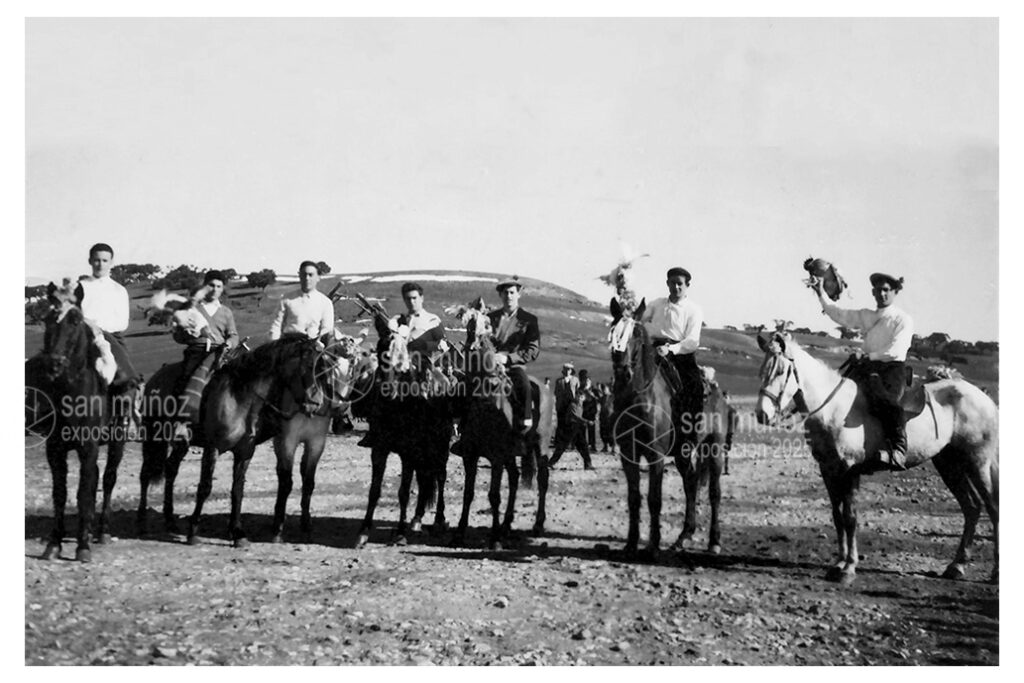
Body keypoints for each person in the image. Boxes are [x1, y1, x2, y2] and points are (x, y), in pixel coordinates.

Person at [812, 271, 914, 470]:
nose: (882, 294)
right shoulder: (867, 315)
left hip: (891, 369)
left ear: (895, 292)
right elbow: (839, 314)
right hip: (867, 366)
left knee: (886, 401)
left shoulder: (902, 319)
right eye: (878, 290)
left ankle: (899, 450)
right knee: (837, 392)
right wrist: (820, 292)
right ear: (873, 292)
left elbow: (896, 350)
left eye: (886, 290)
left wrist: (868, 356)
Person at [358, 282, 447, 448]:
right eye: (408, 299)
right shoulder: (397, 320)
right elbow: (387, 338)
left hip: (421, 361)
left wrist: (419, 345)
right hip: (397, 360)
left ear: (421, 298)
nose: (411, 302)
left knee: (436, 388)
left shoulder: (433, 320)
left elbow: (442, 344)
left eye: (414, 298)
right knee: (377, 380)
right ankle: (375, 428)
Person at [640, 266, 704, 458]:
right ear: (667, 283)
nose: (676, 287)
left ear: (687, 285)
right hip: (653, 351)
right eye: (672, 283)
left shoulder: (693, 310)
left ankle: (689, 438)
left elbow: (692, 341)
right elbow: (641, 321)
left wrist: (671, 349)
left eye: (680, 284)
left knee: (694, 387)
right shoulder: (655, 304)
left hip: (680, 355)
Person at [171, 270, 238, 439]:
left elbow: (233, 335)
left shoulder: (226, 312)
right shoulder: (192, 309)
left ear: (222, 289)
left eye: (219, 286)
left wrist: (229, 343)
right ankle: (182, 422)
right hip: (197, 350)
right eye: (211, 285)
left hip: (220, 352)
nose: (215, 289)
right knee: (187, 377)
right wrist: (187, 334)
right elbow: (177, 335)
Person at [269, 260, 337, 414]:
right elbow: (276, 325)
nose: (307, 278)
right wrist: (274, 346)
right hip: (288, 346)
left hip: (313, 346)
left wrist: (319, 342)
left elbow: (327, 328)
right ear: (299, 276)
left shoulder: (325, 302)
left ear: (318, 277)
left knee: (329, 373)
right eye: (304, 275)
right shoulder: (287, 299)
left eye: (311, 275)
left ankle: (332, 411)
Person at [74, 243, 138, 391]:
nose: (100, 264)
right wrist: (90, 325)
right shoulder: (80, 287)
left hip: (113, 339)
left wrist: (103, 332)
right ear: (90, 261)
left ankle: (128, 401)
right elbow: (74, 314)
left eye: (105, 260)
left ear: (111, 262)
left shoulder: (119, 290)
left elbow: (122, 322)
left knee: (127, 380)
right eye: (97, 260)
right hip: (86, 338)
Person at [548, 369, 593, 471]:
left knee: (582, 445)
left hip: (575, 424)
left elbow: (588, 397)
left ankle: (588, 463)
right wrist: (586, 421)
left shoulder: (580, 391)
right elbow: (574, 414)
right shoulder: (576, 396)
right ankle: (550, 462)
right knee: (564, 445)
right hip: (572, 424)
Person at [579, 370, 600, 450]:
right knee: (582, 429)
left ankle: (592, 445)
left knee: (591, 429)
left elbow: (599, 399)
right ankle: (583, 445)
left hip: (591, 412)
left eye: (587, 380)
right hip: (583, 411)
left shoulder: (593, 390)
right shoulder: (580, 389)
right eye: (584, 379)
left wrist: (591, 394)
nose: (585, 381)